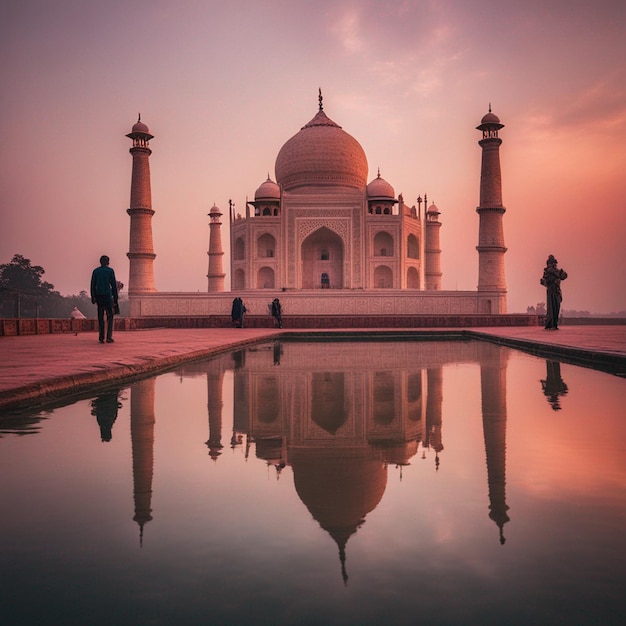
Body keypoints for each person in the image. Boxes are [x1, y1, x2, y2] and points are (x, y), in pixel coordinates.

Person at [91, 255, 118, 343]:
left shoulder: (96, 271)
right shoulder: (110, 271)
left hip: (99, 296)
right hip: (107, 296)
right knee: (110, 316)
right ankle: (109, 337)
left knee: (100, 317)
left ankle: (101, 337)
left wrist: (93, 296)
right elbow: (113, 285)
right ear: (107, 262)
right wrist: (115, 298)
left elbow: (92, 285)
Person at [540, 255, 567, 330]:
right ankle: (551, 324)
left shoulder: (555, 271)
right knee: (552, 308)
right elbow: (543, 281)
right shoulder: (549, 271)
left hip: (555, 291)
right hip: (552, 291)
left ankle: (553, 324)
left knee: (554, 308)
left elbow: (564, 276)